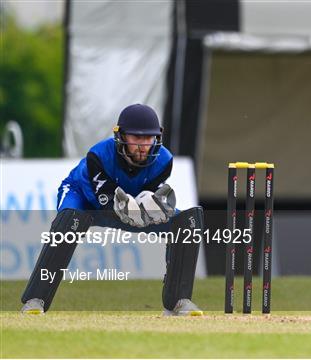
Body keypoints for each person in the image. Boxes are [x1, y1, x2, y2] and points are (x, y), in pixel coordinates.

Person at [21, 104, 204, 316]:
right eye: (136, 137)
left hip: (130, 200)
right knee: (68, 224)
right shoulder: (98, 156)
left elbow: (148, 195)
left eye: (148, 138)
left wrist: (151, 204)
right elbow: (105, 202)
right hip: (85, 197)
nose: (143, 145)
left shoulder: (165, 160)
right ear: (121, 135)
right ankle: (35, 300)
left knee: (188, 221)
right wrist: (137, 208)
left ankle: (177, 302)